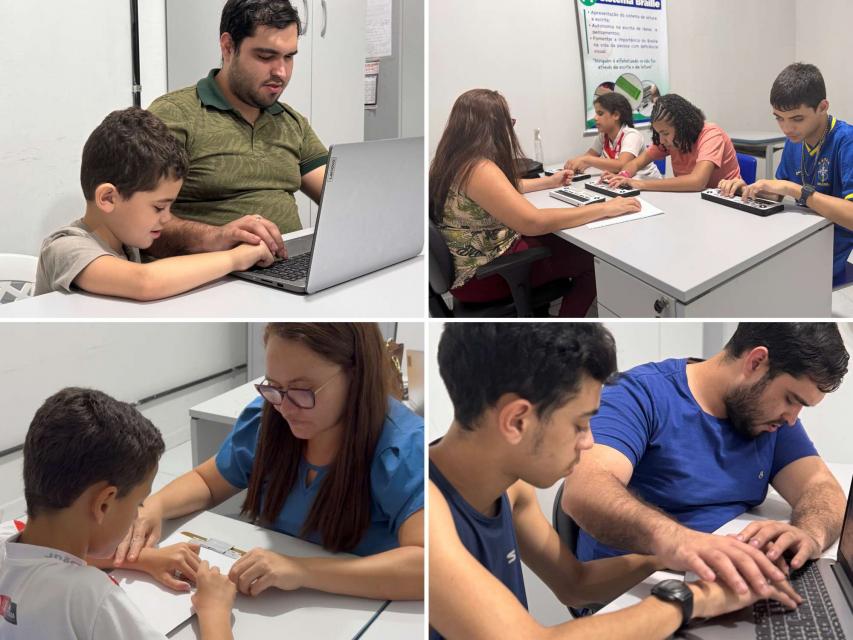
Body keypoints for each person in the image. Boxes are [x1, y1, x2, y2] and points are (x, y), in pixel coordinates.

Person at [429, 323, 799, 640]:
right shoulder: (428, 507)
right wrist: (692, 599)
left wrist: (674, 559)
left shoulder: (512, 490)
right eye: (579, 423)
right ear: (516, 421)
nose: (589, 441)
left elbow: (575, 585)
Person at [115, 323, 424, 601]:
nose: (284, 407)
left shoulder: (402, 448)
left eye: (303, 391)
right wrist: (154, 507)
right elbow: (208, 481)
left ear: (355, 375)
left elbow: (426, 566)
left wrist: (302, 571)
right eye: (274, 386)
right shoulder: (268, 418)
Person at [562, 323, 848, 600]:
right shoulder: (638, 395)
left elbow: (820, 487)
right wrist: (687, 543)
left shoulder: (770, 419)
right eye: (790, 399)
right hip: (637, 595)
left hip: (727, 586)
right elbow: (584, 491)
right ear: (756, 362)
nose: (792, 417)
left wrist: (809, 534)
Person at [0, 387, 236, 640]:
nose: (137, 516)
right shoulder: (91, 598)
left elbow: (45, 558)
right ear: (104, 504)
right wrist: (214, 611)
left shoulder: (8, 536)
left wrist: (139, 559)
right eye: (138, 504)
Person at [429, 89, 641, 317]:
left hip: (469, 270)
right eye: (509, 122)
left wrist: (548, 182)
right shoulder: (478, 168)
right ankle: (563, 332)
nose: (511, 129)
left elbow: (502, 189)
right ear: (493, 126)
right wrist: (605, 208)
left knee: (558, 240)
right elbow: (533, 221)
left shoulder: (451, 161)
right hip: (485, 277)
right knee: (590, 260)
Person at [147, 0, 329, 259]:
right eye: (265, 57)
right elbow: (137, 224)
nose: (281, 72)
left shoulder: (291, 122)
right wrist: (218, 237)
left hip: (289, 270)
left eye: (289, 57)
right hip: (215, 280)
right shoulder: (174, 116)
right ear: (228, 46)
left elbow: (342, 199)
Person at [35, 107, 273, 300]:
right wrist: (235, 259)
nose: (167, 217)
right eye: (159, 207)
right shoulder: (65, 248)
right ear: (108, 198)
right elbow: (144, 282)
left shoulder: (127, 242)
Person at [717, 63, 853, 286]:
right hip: (796, 237)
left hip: (828, 249)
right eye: (779, 118)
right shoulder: (795, 142)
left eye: (797, 118)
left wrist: (795, 190)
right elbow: (778, 194)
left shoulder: (846, 141)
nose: (787, 128)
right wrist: (746, 188)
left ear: (823, 107)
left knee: (755, 275)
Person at [602, 93, 741, 192]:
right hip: (693, 201)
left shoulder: (711, 134)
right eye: (659, 133)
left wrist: (640, 184)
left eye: (665, 133)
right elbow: (636, 163)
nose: (662, 140)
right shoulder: (670, 140)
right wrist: (622, 176)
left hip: (726, 199)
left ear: (683, 127)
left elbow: (697, 181)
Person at [563, 92, 662, 180]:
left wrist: (586, 160)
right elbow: (590, 155)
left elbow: (622, 165)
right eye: (595, 113)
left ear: (616, 115)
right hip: (624, 182)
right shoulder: (603, 135)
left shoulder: (632, 135)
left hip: (648, 182)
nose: (595, 118)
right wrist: (576, 163)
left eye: (600, 113)